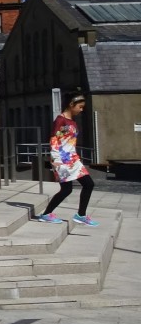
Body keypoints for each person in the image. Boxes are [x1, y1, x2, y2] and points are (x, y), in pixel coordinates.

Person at [36, 92, 97, 226]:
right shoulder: (60, 120)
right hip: (62, 160)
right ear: (71, 104)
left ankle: (81, 215)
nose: (81, 110)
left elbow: (68, 141)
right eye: (80, 107)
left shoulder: (72, 121)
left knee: (89, 184)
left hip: (73, 160)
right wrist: (56, 159)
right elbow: (54, 140)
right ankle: (46, 214)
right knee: (66, 189)